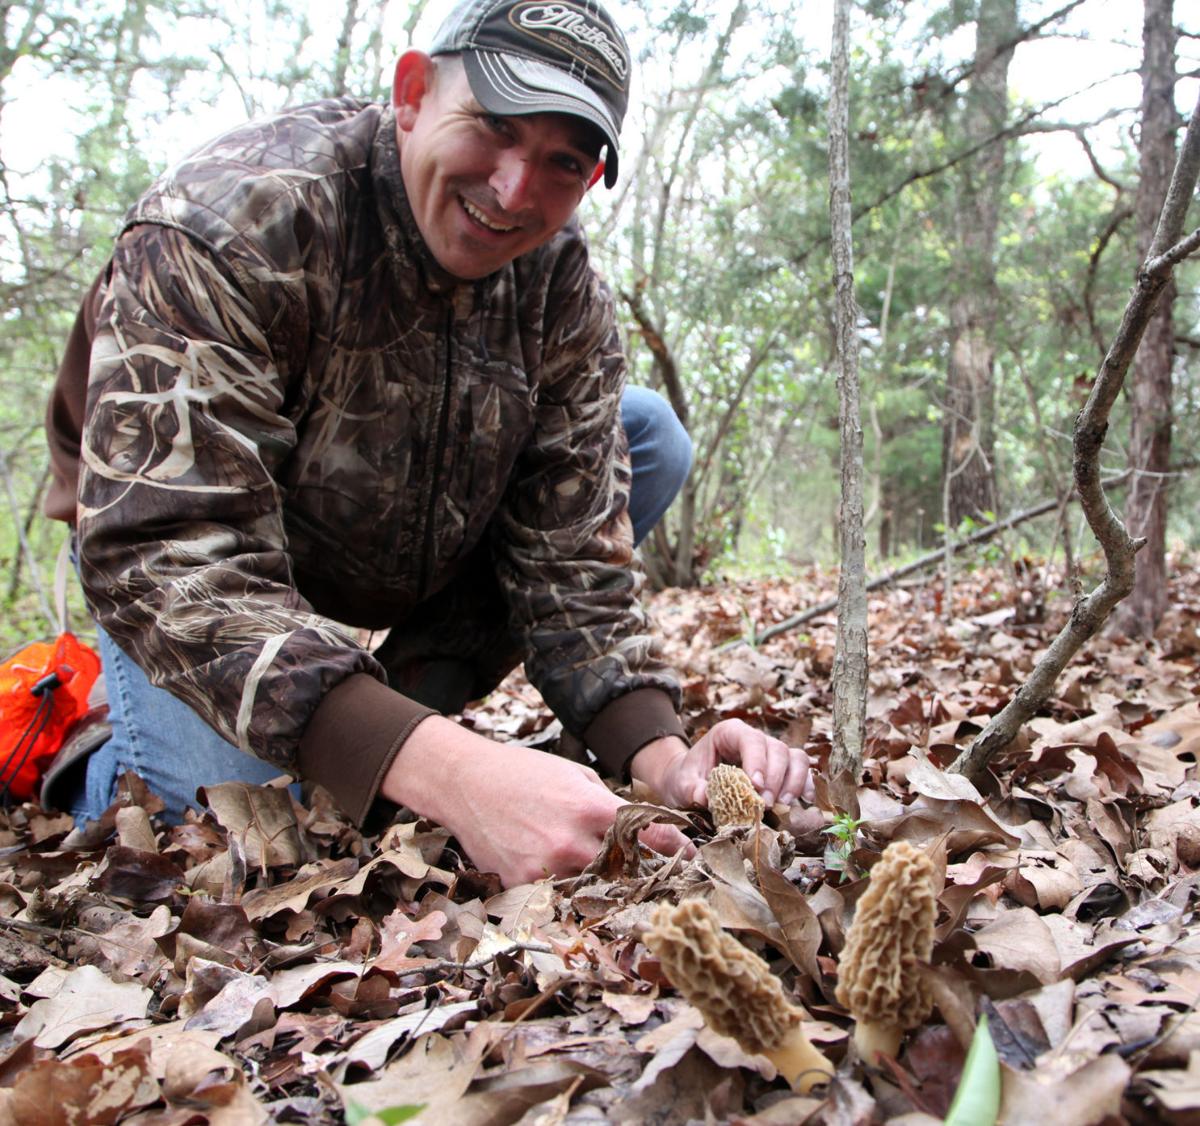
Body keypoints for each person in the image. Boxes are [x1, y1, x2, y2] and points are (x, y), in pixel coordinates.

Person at [43, 0, 814, 886]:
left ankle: (396, 710)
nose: (516, 191)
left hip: (407, 528)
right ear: (413, 93)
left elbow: (575, 562)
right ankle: (92, 750)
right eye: (493, 127)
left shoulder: (561, 289)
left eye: (563, 163)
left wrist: (662, 755)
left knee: (647, 433)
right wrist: (453, 771)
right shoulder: (229, 223)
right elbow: (167, 549)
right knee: (241, 834)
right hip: (209, 545)